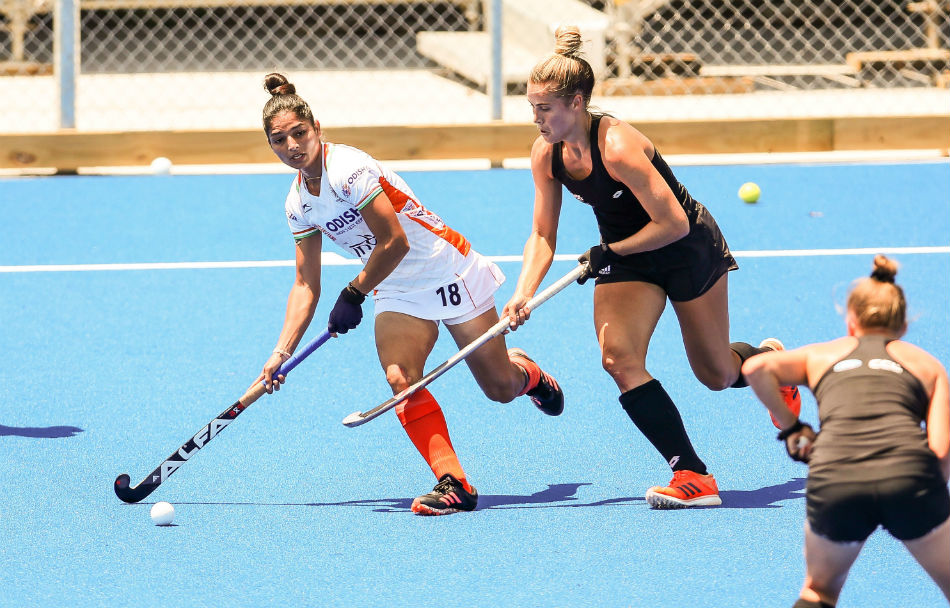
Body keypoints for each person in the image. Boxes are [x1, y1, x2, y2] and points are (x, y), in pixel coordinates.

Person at [501, 26, 801, 509]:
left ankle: (773, 366)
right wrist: (523, 292)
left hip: (685, 248)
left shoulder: (617, 147)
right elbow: (542, 235)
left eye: (545, 108)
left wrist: (611, 251)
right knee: (617, 359)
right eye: (532, 108)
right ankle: (692, 474)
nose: (536, 119)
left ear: (576, 103)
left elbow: (674, 223)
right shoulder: (547, 154)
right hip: (626, 259)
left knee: (716, 374)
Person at [256, 72, 564, 516]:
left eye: (299, 133)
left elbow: (394, 242)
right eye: (279, 140)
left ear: (317, 128)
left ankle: (528, 374)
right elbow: (305, 284)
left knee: (499, 388)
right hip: (395, 286)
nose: (292, 146)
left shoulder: (349, 171)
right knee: (400, 376)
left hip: (445, 268)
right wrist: (281, 352)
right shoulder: (297, 203)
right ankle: (455, 483)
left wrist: (354, 292)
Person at [743, 255, 949, 607]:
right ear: (903, 326)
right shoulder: (926, 365)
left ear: (851, 321)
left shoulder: (823, 355)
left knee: (819, 591)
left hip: (837, 478)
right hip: (909, 478)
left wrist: (792, 428)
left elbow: (756, 368)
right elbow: (942, 451)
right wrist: (924, 498)